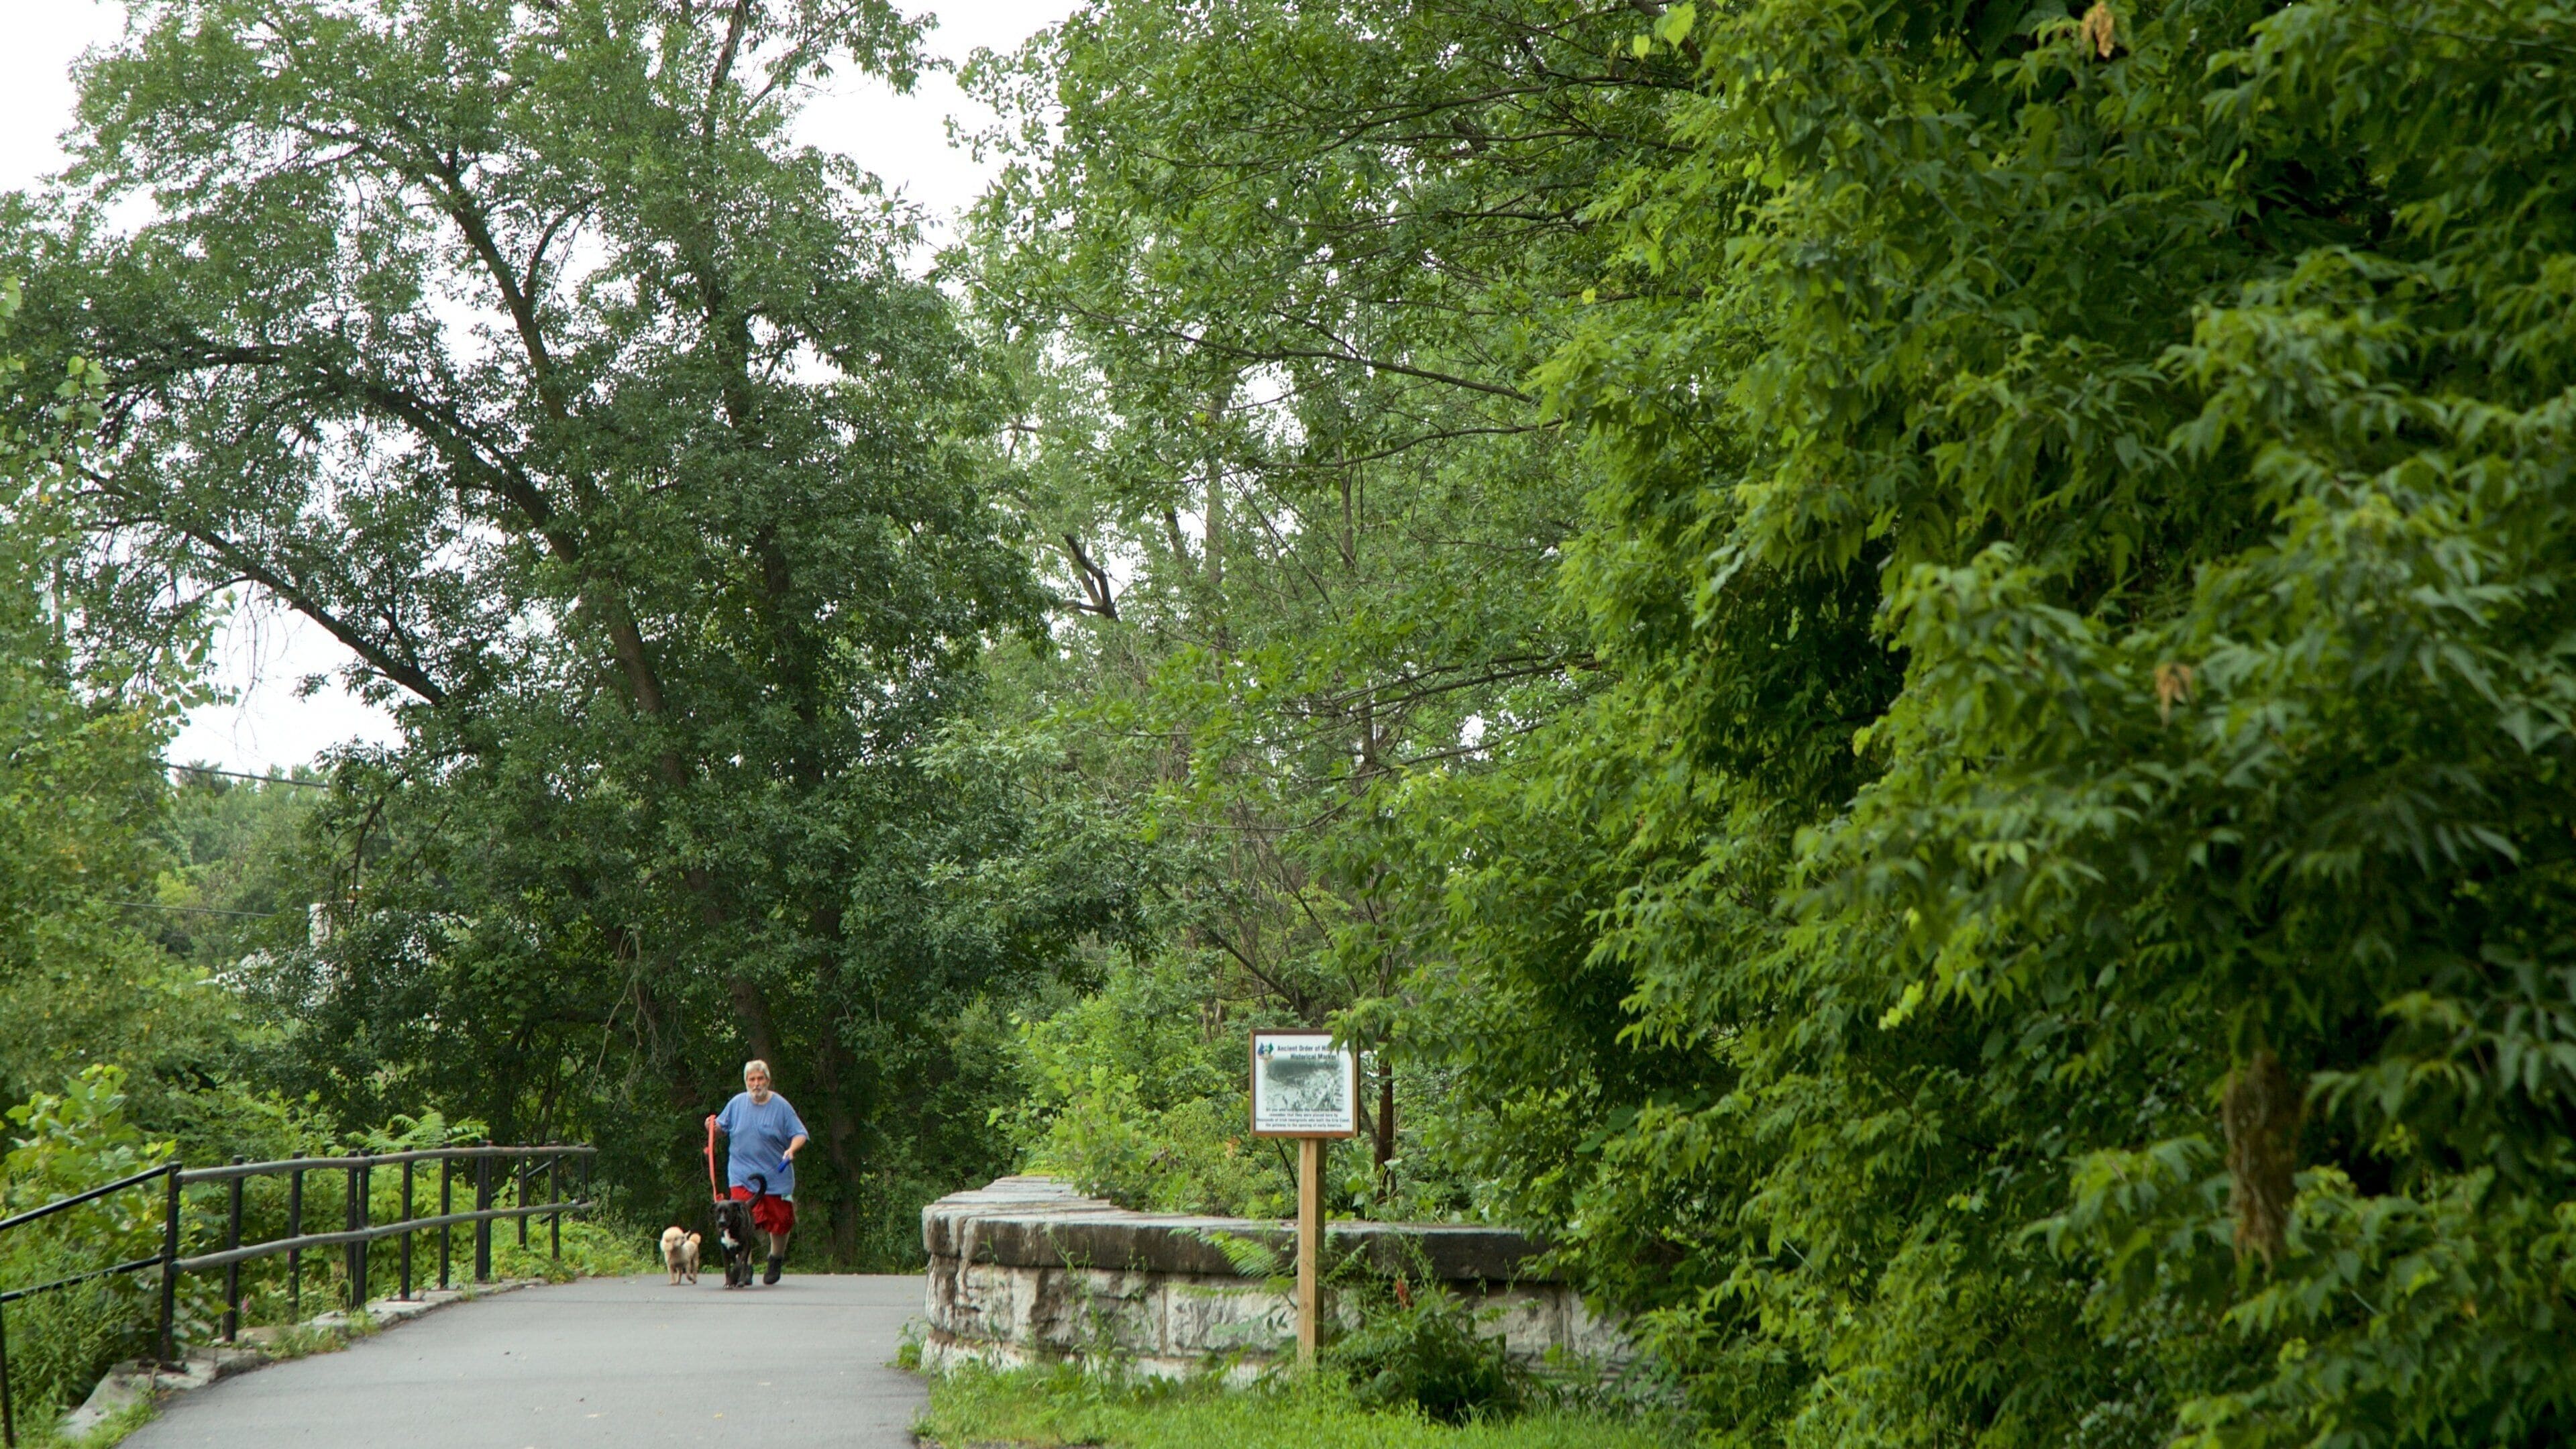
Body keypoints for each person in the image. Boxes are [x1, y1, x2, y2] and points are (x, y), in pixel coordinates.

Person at [707, 1059, 809, 1285]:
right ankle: (746, 1266)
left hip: (776, 1176)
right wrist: (712, 1127)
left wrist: (792, 1149)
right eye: (751, 1079)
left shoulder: (782, 1106)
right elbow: (721, 1128)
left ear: (768, 1081)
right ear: (746, 1082)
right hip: (742, 1175)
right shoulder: (736, 1103)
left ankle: (775, 1260)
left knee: (781, 1221)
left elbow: (800, 1133)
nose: (756, 1084)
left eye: (760, 1079)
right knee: (740, 1221)